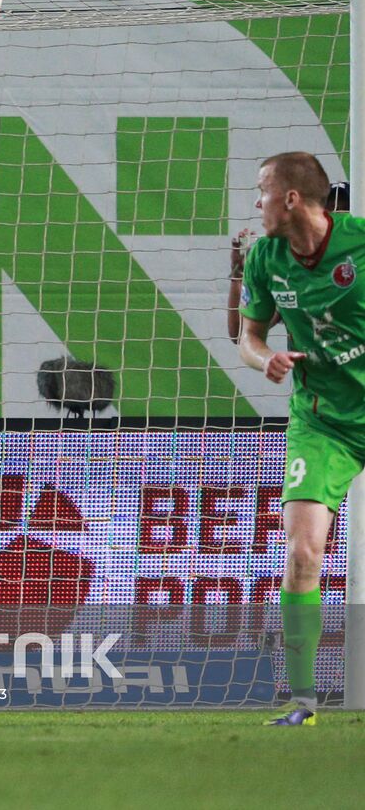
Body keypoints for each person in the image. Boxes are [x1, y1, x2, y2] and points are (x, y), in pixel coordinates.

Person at [238, 154, 363, 726]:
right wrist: (266, 359)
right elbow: (249, 335)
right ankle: (305, 700)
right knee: (302, 553)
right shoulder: (265, 257)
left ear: (290, 199)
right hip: (322, 421)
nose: (255, 201)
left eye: (262, 190)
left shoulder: (359, 244)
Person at [229, 180, 348, 343]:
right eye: (327, 210)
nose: (333, 218)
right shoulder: (288, 272)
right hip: (310, 367)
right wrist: (239, 273)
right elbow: (239, 334)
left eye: (342, 211)